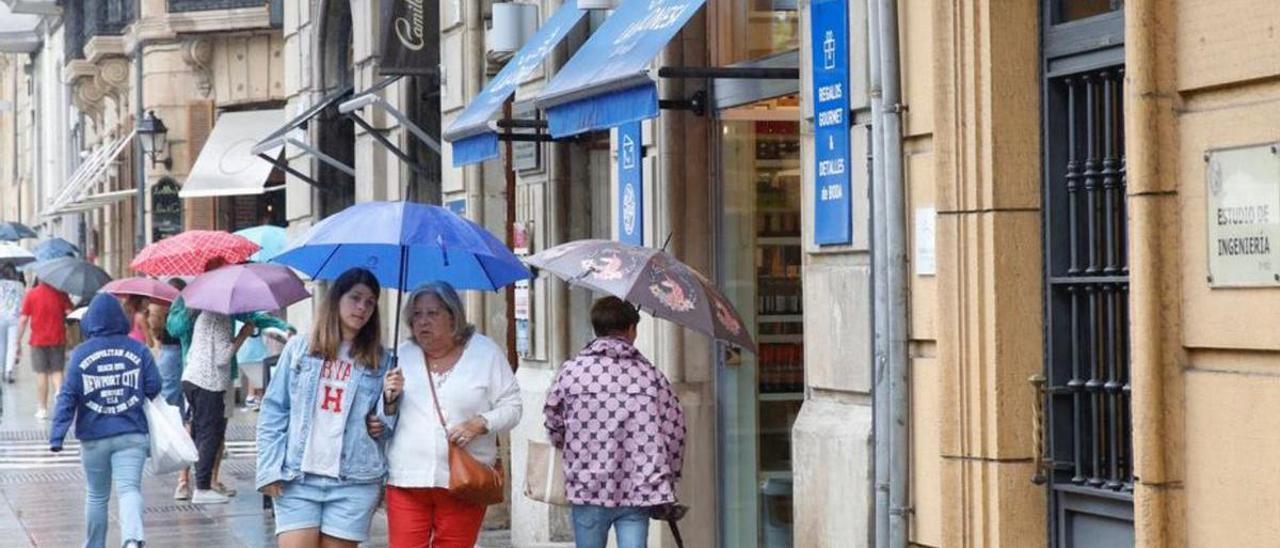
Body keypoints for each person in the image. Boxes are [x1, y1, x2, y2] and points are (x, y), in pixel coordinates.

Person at [370, 281, 522, 548]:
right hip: (407, 478)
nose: (422, 322)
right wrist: (389, 398)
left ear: (453, 316)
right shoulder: (399, 357)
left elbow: (513, 406)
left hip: (464, 480)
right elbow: (381, 419)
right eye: (416, 314)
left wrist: (481, 423)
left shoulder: (484, 353)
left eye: (432, 313)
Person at [256, 267, 401, 547]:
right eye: (356, 298)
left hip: (353, 481)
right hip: (298, 477)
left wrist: (390, 404)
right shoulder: (300, 349)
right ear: (337, 299)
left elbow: (384, 432)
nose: (362, 307)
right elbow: (274, 410)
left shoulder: (382, 361)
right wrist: (269, 469)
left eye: (370, 302)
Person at [544, 297, 687, 548]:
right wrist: (668, 478)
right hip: (636, 489)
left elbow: (553, 421)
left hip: (587, 484)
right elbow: (674, 432)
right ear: (631, 329)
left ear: (596, 328)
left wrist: (571, 446)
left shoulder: (572, 372)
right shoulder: (650, 376)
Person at [167, 258, 292, 500]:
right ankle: (189, 482)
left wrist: (280, 326)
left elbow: (253, 316)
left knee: (213, 429)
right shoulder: (191, 299)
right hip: (202, 374)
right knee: (198, 429)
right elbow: (176, 328)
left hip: (209, 375)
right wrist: (241, 333)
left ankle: (209, 481)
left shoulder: (226, 305)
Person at [49, 293, 162, 548]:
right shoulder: (138, 349)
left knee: (97, 495)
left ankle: (94, 544)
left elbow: (67, 396)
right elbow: (154, 386)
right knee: (129, 489)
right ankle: (132, 540)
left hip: (94, 436)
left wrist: (57, 435)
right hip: (131, 433)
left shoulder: (80, 354)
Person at [17, 277, 73, 419]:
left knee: (41, 373)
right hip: (58, 338)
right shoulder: (61, 293)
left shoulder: (32, 294)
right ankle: (61, 401)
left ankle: (42, 409)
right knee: (57, 371)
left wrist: (17, 340)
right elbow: (69, 313)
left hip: (38, 340)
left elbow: (23, 319)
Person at [150, 278, 186, 411]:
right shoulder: (177, 310)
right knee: (172, 395)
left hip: (168, 351)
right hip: (174, 352)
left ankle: (178, 427)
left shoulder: (161, 308)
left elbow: (155, 329)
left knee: (173, 395)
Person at [0, 264, 24, 384]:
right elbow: (23, 302)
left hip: (0, 318)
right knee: (12, 345)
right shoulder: (19, 286)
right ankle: (9, 371)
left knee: (1, 345)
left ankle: (1, 370)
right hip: (14, 319)